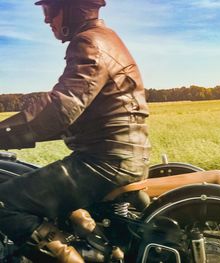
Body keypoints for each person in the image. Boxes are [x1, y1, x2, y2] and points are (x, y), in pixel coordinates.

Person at [0, 0, 150, 262]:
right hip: (119, 157)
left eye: (50, 10)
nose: (47, 20)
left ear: (72, 8)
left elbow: (61, 109)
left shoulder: (89, 43)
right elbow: (74, 114)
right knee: (29, 174)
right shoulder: (106, 39)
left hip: (103, 163)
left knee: (4, 203)